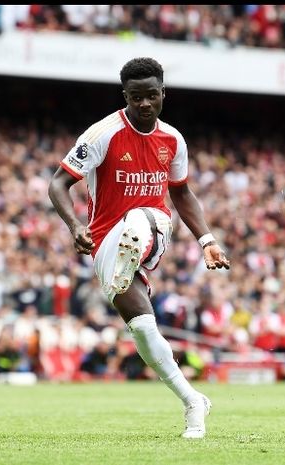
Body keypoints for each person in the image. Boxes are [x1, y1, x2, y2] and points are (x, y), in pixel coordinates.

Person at [48, 57, 230, 439]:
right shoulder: (103, 133)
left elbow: (181, 193)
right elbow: (57, 184)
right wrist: (74, 225)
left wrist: (207, 240)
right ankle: (193, 400)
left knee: (141, 217)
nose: (144, 103)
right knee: (144, 330)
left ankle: (139, 249)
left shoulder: (173, 140)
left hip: (152, 226)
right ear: (125, 96)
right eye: (136, 97)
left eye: (151, 95)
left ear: (163, 93)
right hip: (104, 242)